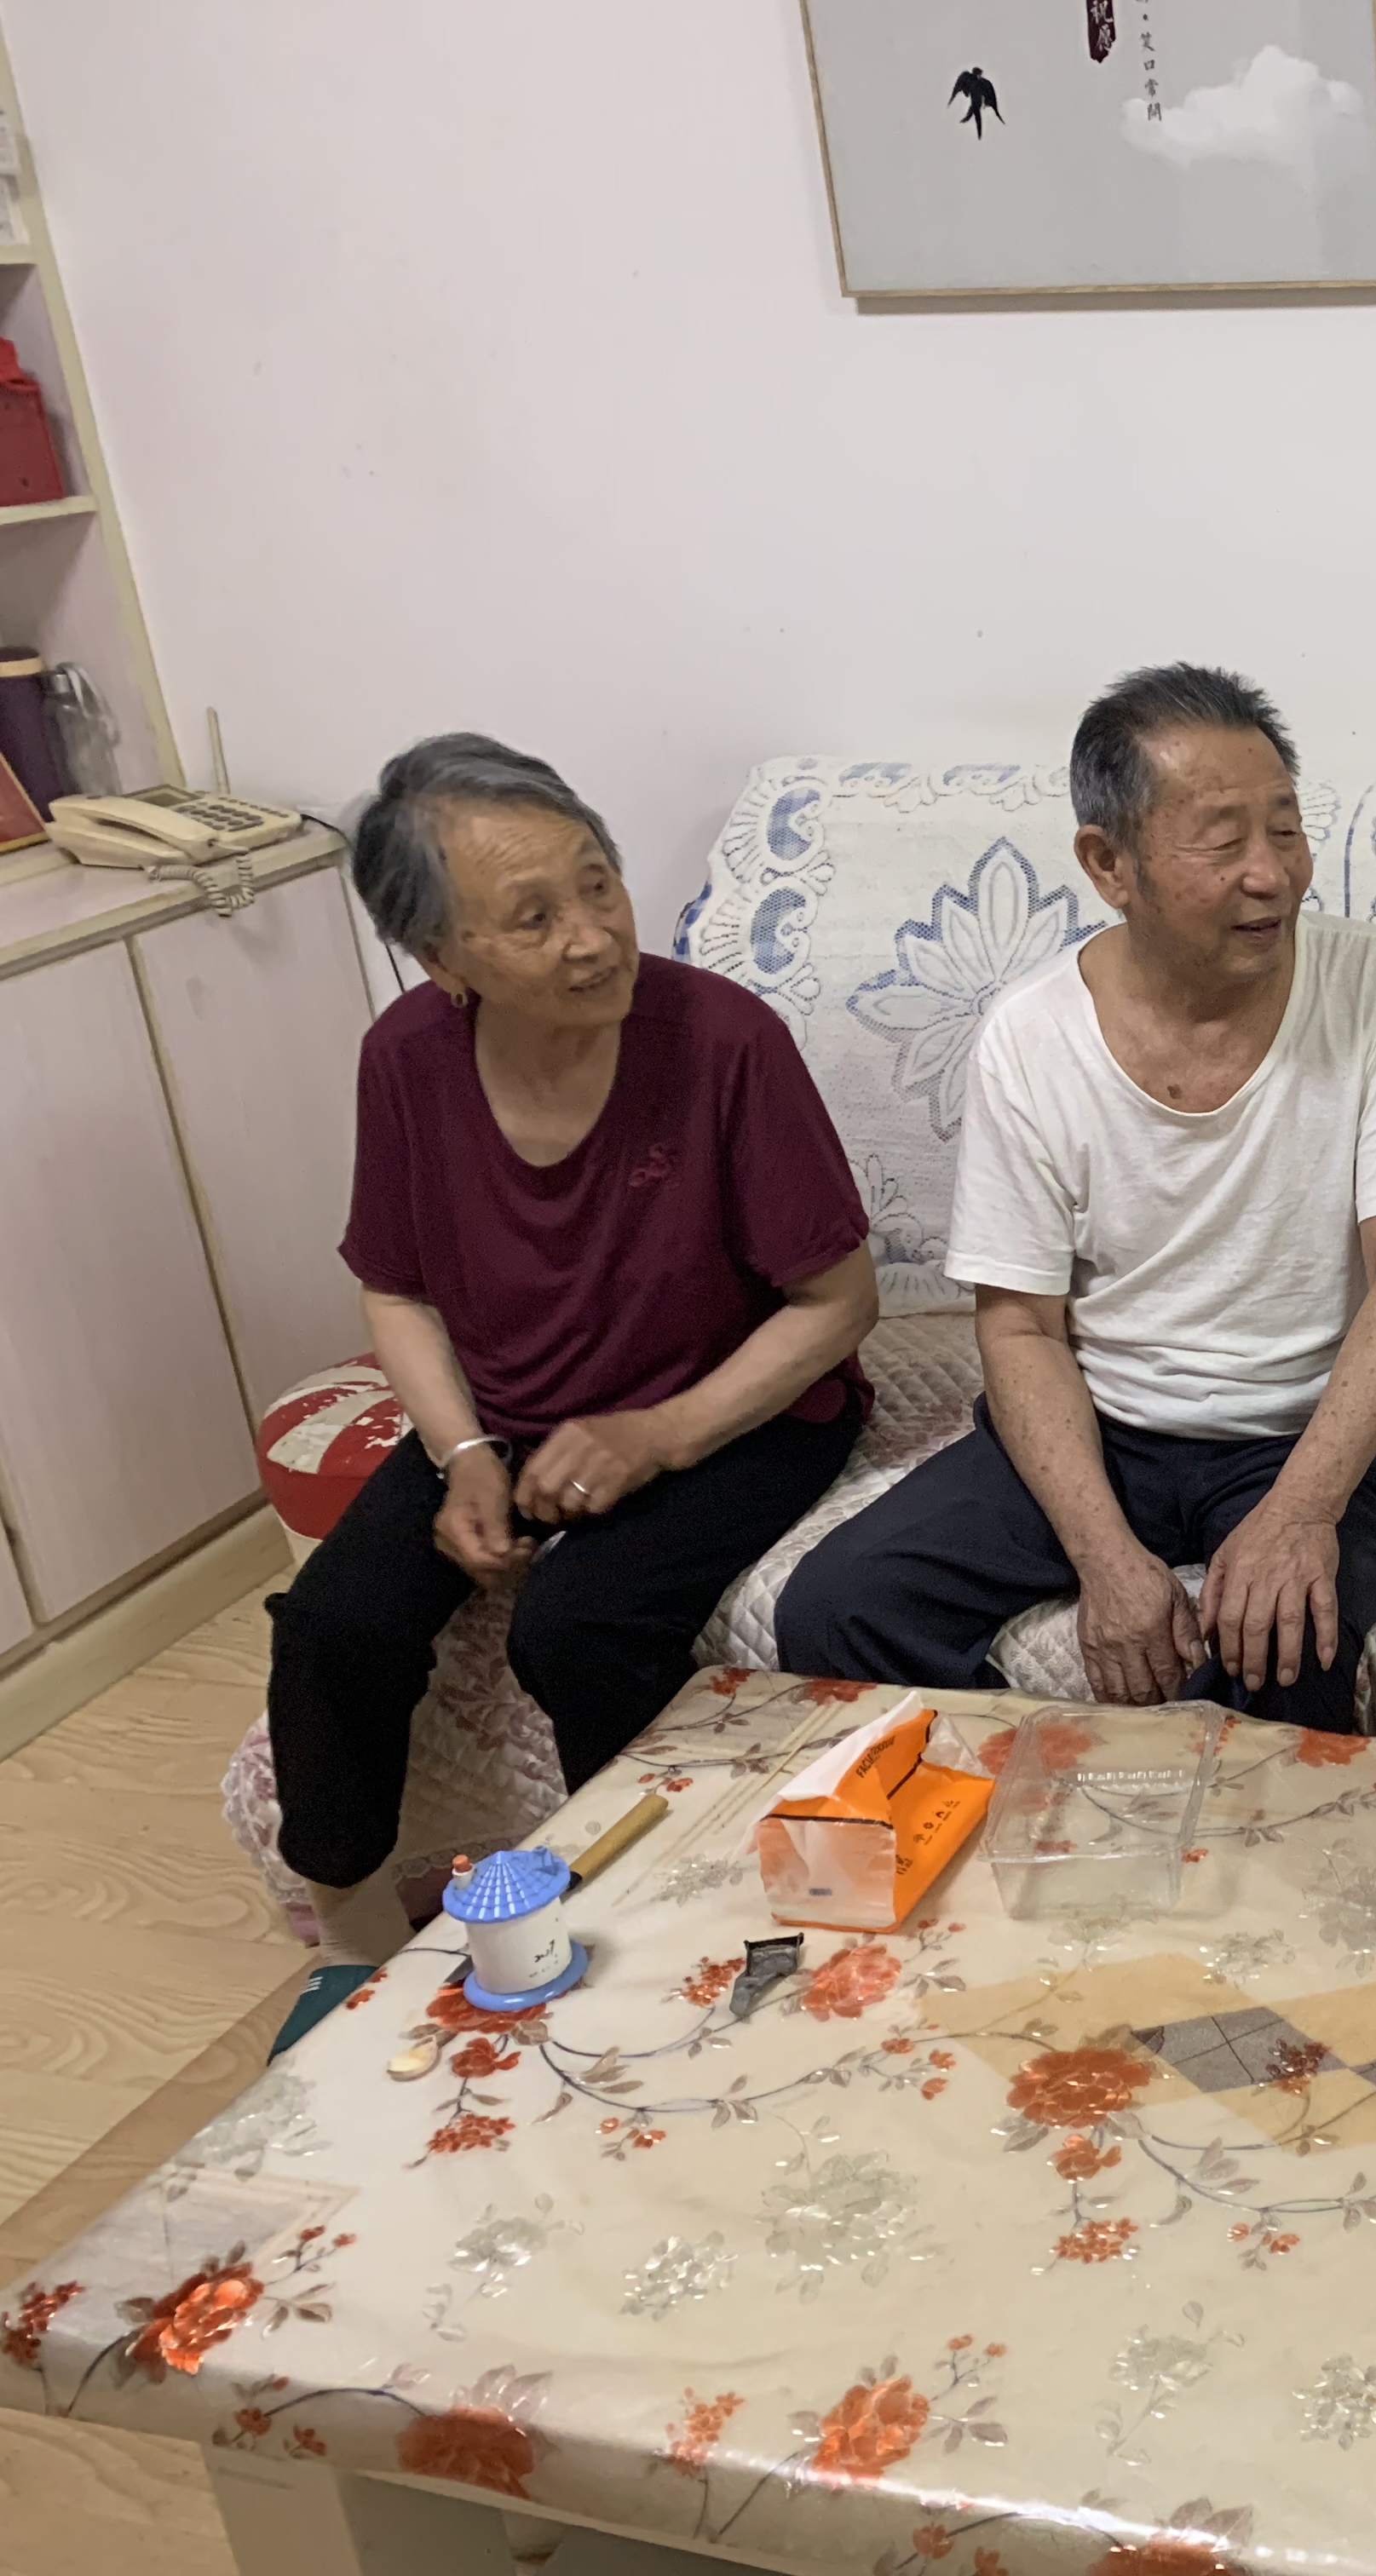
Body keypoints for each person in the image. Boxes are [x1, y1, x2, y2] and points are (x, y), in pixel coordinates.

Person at [272, 734, 879, 2020]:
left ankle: (663, 1919)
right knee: (335, 1625)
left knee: (579, 1621)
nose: (594, 937)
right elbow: (396, 1287)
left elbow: (836, 1306)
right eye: (533, 918)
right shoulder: (407, 1059)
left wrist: (661, 1434)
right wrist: (461, 1455)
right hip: (507, 1415)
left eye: (597, 884)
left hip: (738, 1409)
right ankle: (350, 1940)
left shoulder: (721, 1040)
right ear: (440, 959)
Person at [776, 665, 1376, 1730]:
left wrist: (1300, 1513)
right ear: (1109, 864)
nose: (1271, 874)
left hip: (1324, 1430)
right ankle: (1029, 1814)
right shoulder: (1031, 1037)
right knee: (837, 1610)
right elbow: (1021, 1326)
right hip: (1115, 1428)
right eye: (1223, 841)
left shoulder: (1375, 987)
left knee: (1281, 1648)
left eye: (1286, 830)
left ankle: (1192, 1843)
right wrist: (1105, 1556)